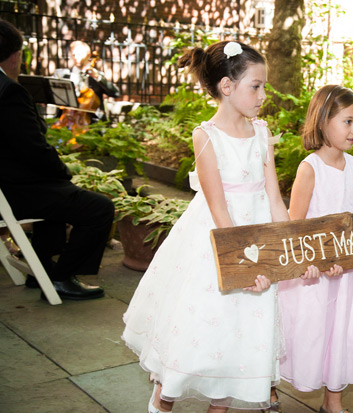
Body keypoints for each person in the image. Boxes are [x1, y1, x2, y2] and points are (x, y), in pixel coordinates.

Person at [121, 40, 320, 413]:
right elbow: (218, 211)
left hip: (258, 239)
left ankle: (221, 405)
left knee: (238, 339)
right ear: (227, 87)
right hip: (220, 244)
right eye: (256, 86)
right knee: (200, 330)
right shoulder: (206, 135)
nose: (263, 94)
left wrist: (297, 247)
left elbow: (276, 200)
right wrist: (243, 265)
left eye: (264, 86)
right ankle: (163, 399)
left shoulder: (261, 133)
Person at [277, 85, 353, 413]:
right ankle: (271, 390)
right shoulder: (309, 168)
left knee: (341, 331)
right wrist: (312, 262)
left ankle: (334, 402)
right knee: (312, 330)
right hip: (315, 274)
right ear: (323, 120)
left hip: (348, 274)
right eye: (348, 122)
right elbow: (294, 227)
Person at [0, 19, 114, 300]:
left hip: (8, 183)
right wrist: (62, 170)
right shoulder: (9, 92)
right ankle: (62, 277)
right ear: (15, 56)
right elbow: (34, 149)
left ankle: (41, 271)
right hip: (13, 190)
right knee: (99, 208)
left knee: (56, 197)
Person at [53, 40, 120, 122]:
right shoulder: (62, 74)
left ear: (88, 56)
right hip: (66, 119)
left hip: (92, 121)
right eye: (73, 55)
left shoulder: (97, 76)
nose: (76, 57)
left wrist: (98, 77)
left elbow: (115, 93)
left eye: (79, 54)